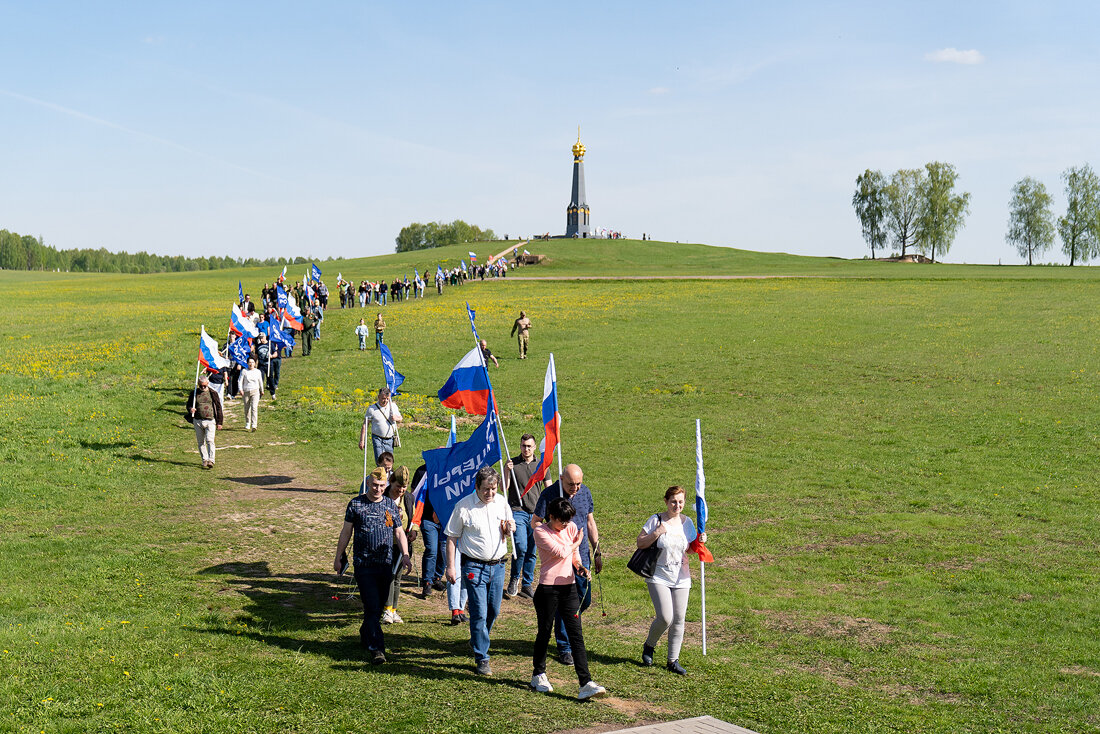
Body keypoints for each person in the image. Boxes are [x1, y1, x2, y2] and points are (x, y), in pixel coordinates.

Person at [333, 467, 412, 665]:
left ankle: (365, 632)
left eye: (381, 486)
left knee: (375, 610)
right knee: (372, 605)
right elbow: (346, 532)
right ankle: (377, 648)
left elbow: (399, 533)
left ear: (386, 486)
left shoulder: (390, 506)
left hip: (385, 564)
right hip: (363, 564)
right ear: (368, 483)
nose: (377, 489)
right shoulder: (356, 504)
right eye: (374, 485)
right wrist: (338, 556)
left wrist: (405, 555)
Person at [530, 497, 607, 700]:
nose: (565, 525)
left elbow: (572, 557)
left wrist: (580, 567)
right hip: (548, 590)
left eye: (567, 521)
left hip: (569, 588)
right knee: (545, 632)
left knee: (576, 635)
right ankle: (538, 674)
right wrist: (578, 543)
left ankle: (585, 682)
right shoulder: (540, 532)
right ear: (551, 516)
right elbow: (562, 551)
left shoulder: (571, 527)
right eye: (561, 521)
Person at [445, 467, 515, 676]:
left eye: (493, 489)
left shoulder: (502, 502)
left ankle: (478, 637)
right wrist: (450, 566)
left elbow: (508, 525)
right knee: (479, 613)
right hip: (474, 567)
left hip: (499, 565)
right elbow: (451, 537)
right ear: (476, 487)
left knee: (493, 610)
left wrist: (509, 527)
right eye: (486, 489)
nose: (490, 493)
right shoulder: (464, 507)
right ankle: (482, 657)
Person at [533, 464, 602, 666]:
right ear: (561, 478)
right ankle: (564, 647)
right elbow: (536, 521)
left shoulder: (585, 492)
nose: (576, 488)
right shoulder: (549, 494)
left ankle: (563, 622)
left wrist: (596, 550)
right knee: (567, 605)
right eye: (571, 484)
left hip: (580, 556)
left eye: (579, 483)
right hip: (559, 559)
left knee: (585, 600)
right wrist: (550, 538)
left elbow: (590, 521)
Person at [635, 485, 706, 675]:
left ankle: (672, 660)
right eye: (673, 501)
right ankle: (649, 645)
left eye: (681, 502)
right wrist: (657, 533)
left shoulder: (687, 523)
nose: (677, 505)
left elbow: (689, 549)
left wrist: (700, 541)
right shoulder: (656, 520)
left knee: (679, 619)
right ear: (666, 501)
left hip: (681, 577)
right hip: (658, 575)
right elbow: (640, 543)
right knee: (666, 617)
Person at [503, 434, 542, 599]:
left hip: (536, 513)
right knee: (521, 547)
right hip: (517, 511)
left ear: (534, 447)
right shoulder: (513, 464)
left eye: (529, 446)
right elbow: (504, 489)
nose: (526, 449)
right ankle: (514, 578)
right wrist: (506, 470)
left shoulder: (541, 465)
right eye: (523, 446)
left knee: (532, 550)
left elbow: (547, 487)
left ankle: (527, 584)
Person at [382, 466, 416, 624]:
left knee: (397, 578)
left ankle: (394, 610)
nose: (401, 490)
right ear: (391, 482)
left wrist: (414, 530)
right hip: (385, 544)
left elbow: (414, 518)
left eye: (404, 487)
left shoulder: (409, 498)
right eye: (398, 487)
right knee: (388, 576)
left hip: (402, 545)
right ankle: (386, 609)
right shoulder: (382, 496)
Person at [185, 375, 223, 470]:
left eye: (204, 386)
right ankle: (204, 460)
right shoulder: (194, 393)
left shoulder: (213, 393)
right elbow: (188, 405)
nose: (202, 388)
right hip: (197, 420)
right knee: (201, 442)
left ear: (208, 384)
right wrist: (191, 409)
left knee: (210, 440)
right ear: (198, 384)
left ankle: (211, 460)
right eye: (201, 386)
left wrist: (219, 422)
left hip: (210, 420)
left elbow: (218, 407)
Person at [360, 388, 402, 462]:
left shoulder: (393, 406)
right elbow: (365, 424)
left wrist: (396, 418)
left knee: (389, 461)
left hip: (390, 439)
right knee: (380, 461)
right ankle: (380, 472)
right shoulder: (371, 409)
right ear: (378, 397)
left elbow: (400, 419)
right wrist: (362, 440)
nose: (385, 401)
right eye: (383, 398)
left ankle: (388, 473)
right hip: (377, 438)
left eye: (387, 399)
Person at [240, 357, 264, 431]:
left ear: (255, 363)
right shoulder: (244, 371)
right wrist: (240, 389)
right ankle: (248, 422)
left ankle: (254, 425)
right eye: (250, 362)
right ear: (247, 363)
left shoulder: (258, 371)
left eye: (252, 362)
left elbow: (260, 381)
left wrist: (262, 390)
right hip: (246, 391)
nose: (251, 364)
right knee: (247, 408)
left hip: (255, 391)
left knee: (254, 407)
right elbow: (240, 381)